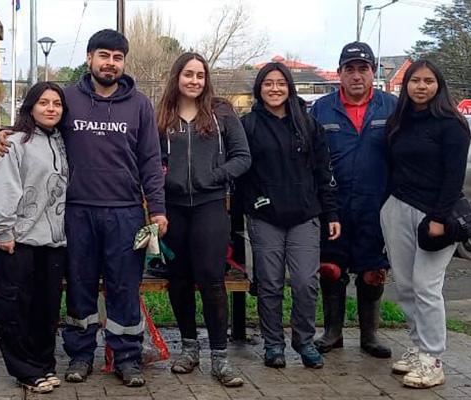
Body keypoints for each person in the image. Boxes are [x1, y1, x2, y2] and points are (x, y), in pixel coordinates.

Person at [0, 29, 166, 387]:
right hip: (76, 213)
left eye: (117, 57)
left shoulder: (140, 105)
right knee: (79, 287)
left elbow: (151, 160)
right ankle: (80, 354)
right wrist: (4, 133)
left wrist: (158, 210)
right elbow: (40, 121)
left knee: (123, 287)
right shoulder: (69, 98)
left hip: (125, 212)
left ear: (124, 63)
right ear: (89, 59)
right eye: (103, 55)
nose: (110, 63)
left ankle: (127, 357)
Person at [155, 53, 250, 387]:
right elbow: (151, 160)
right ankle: (189, 348)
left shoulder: (222, 113)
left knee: (211, 279)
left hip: (211, 205)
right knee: (179, 279)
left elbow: (243, 157)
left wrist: (214, 176)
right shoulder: (162, 114)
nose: (194, 81)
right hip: (174, 208)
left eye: (200, 75)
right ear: (176, 77)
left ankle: (220, 358)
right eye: (188, 74)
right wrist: (166, 180)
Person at [237, 62, 340, 369]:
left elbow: (324, 171)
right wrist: (254, 202)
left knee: (306, 283)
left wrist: (331, 212)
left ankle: (304, 340)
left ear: (289, 87)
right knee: (269, 284)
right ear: (259, 88)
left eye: (280, 83)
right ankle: (273, 345)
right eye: (268, 83)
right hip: (265, 216)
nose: (274, 88)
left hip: (304, 216)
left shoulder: (308, 124)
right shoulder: (248, 125)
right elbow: (241, 174)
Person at [380, 60, 471, 389]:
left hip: (435, 215)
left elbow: (454, 177)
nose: (421, 86)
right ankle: (418, 347)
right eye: (415, 81)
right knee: (405, 285)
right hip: (397, 208)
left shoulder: (452, 125)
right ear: (406, 86)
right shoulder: (399, 122)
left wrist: (438, 217)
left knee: (427, 286)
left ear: (439, 85)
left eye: (428, 80)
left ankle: (433, 359)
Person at [308, 42, 397, 360]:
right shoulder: (320, 109)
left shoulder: (392, 107)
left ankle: (370, 336)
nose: (356, 75)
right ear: (339, 72)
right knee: (331, 269)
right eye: (350, 69)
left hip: (378, 205)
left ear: (373, 72)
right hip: (334, 206)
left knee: (373, 272)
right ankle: (332, 333)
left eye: (363, 68)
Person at [0, 82, 70, 393]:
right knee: (15, 308)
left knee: (46, 309)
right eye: (44, 102)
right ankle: (24, 370)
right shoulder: (16, 143)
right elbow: (5, 188)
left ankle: (44, 364)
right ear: (31, 107)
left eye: (57, 104)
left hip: (54, 242)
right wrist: (4, 230)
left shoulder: (63, 141)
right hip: (19, 241)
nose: (51, 108)